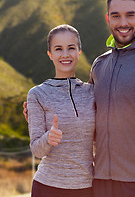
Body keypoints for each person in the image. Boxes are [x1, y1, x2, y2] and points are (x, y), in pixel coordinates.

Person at [24, 0, 135, 197]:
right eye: (116, 16)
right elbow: (88, 112)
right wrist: (41, 113)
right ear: (108, 19)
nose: (123, 22)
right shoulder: (100, 65)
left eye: (130, 15)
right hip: (101, 181)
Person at [27, 24, 95, 197]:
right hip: (48, 187)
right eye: (58, 49)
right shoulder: (37, 94)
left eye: (71, 48)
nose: (65, 54)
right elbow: (37, 150)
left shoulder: (93, 92)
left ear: (79, 51)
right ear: (50, 54)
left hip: (87, 187)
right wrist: (48, 138)